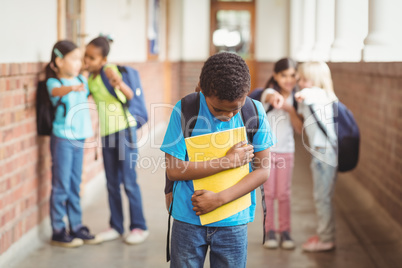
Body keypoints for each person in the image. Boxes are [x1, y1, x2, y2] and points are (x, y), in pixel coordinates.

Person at [161, 52, 275, 267]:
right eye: (218, 109)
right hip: (189, 217)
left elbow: (262, 170)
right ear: (202, 90)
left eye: (235, 108)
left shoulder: (254, 112)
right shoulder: (184, 110)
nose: (228, 116)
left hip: (233, 221)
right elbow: (174, 169)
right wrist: (227, 161)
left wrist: (219, 199)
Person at [84, 36, 148, 244]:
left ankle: (139, 227)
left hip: (124, 131)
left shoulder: (109, 70)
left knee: (129, 182)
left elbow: (129, 95)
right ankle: (116, 226)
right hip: (106, 135)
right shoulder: (91, 77)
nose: (87, 60)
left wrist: (118, 82)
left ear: (103, 59)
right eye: (85, 56)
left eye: (91, 58)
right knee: (112, 183)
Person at [46, 40, 101, 247]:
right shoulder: (55, 83)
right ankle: (58, 229)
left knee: (75, 184)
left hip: (80, 139)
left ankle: (76, 226)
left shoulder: (81, 79)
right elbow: (55, 93)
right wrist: (71, 87)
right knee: (61, 184)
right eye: (75, 59)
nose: (79, 63)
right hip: (62, 138)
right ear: (59, 61)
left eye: (80, 59)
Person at [259, 58, 303, 250]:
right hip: (267, 153)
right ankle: (269, 231)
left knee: (283, 194)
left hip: (287, 151)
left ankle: (285, 231)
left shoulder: (298, 99)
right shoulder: (268, 92)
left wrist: (290, 108)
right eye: (283, 75)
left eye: (292, 75)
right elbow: (269, 97)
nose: (288, 79)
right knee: (268, 193)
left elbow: (300, 128)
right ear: (276, 76)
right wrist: (276, 99)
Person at [295, 61, 338, 252]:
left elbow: (304, 95)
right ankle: (323, 233)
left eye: (305, 79)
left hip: (323, 153)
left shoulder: (317, 94)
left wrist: (301, 93)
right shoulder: (324, 96)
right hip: (323, 152)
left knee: (322, 198)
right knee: (323, 196)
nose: (301, 83)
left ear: (316, 80)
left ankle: (326, 239)